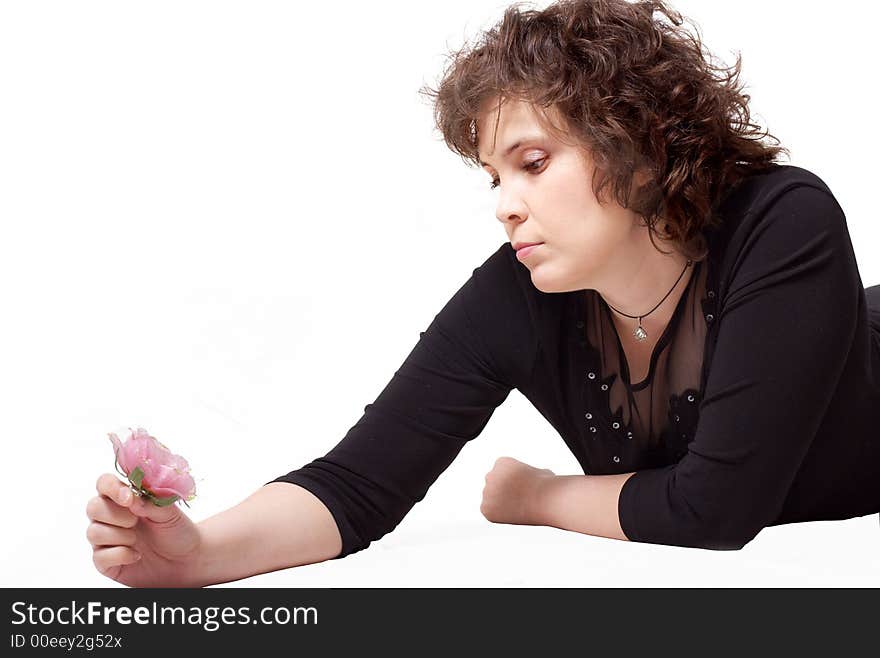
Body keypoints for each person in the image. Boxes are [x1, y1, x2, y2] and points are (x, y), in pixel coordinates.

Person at [85, 0, 880, 588]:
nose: (502, 202)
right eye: (493, 175)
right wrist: (201, 553)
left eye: (532, 163)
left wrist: (538, 496)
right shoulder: (524, 291)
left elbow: (716, 512)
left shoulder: (782, 222)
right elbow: (358, 484)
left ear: (639, 145)